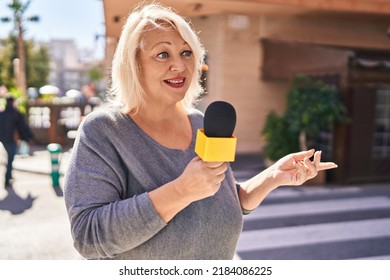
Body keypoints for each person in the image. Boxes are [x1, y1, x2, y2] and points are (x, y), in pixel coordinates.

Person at [64, 3, 338, 260]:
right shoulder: (103, 131)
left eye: (186, 52)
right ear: (134, 65)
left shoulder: (199, 122)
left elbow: (219, 199)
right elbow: (88, 237)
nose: (180, 65)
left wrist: (273, 177)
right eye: (163, 54)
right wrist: (181, 190)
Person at [0, 96, 33, 188]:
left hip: (3, 140)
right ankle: (7, 179)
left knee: (9, 157)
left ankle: (9, 176)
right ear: (13, 102)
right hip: (11, 140)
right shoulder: (16, 113)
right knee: (10, 158)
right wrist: (28, 138)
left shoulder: (2, 113)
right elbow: (23, 127)